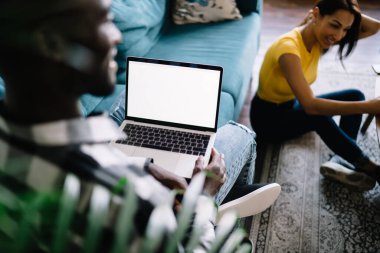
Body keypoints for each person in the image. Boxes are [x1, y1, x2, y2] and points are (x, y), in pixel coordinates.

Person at [0, 0, 280, 251]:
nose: (117, 36)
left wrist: (144, 165)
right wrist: (202, 198)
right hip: (185, 223)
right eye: (104, 20)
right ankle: (221, 214)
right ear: (51, 44)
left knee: (126, 106)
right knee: (239, 133)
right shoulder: (130, 199)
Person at [250, 0, 380, 191]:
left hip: (289, 105)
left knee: (355, 95)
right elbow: (310, 105)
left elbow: (374, 27)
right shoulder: (288, 49)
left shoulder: (320, 38)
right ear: (317, 14)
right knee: (318, 115)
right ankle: (369, 167)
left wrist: (350, 8)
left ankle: (341, 158)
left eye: (346, 29)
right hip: (268, 120)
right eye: (335, 25)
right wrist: (368, 107)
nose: (339, 35)